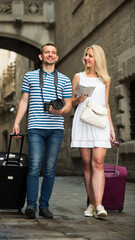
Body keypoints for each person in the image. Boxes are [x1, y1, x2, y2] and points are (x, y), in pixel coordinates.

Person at [13, 43, 72, 219]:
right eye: (47, 52)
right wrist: (17, 122)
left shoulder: (64, 80)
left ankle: (44, 206)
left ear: (57, 57)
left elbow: (68, 104)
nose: (50, 55)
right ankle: (31, 205)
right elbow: (24, 101)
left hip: (55, 129)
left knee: (50, 169)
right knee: (34, 166)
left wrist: (60, 111)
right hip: (35, 128)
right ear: (41, 56)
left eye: (53, 52)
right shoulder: (29, 76)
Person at [71, 45, 116, 218]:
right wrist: (78, 99)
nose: (87, 58)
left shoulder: (105, 79)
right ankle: (91, 203)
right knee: (87, 164)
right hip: (83, 122)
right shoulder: (78, 77)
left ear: (98, 58)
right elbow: (72, 102)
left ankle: (99, 205)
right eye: (86, 55)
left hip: (99, 123)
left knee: (98, 163)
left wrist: (111, 128)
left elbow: (106, 105)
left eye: (90, 56)